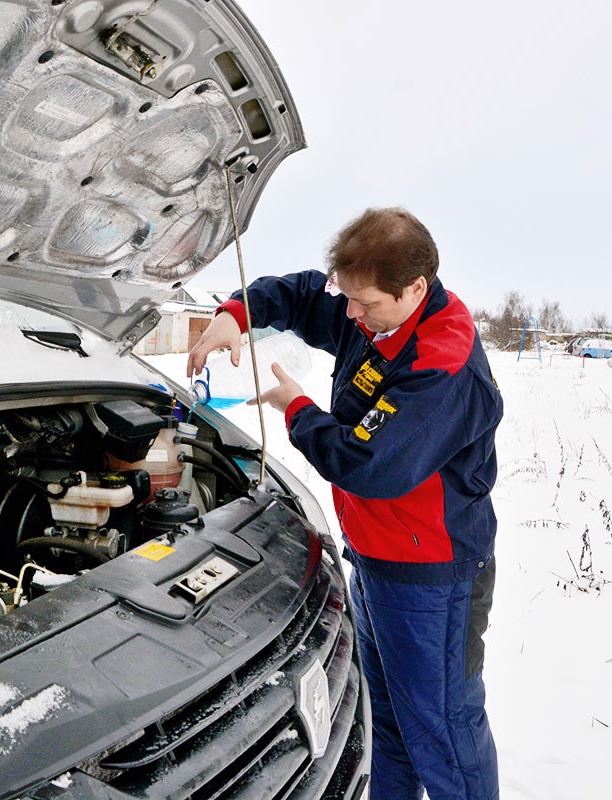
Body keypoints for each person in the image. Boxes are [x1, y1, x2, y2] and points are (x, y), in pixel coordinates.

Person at [187, 207, 503, 800]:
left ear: (416, 288)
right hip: (378, 562)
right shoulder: (377, 313)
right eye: (348, 299)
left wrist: (297, 409)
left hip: (432, 579)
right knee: (386, 723)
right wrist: (237, 314)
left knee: (444, 733)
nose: (351, 315)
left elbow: (369, 465)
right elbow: (306, 295)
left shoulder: (443, 363)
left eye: (366, 304)